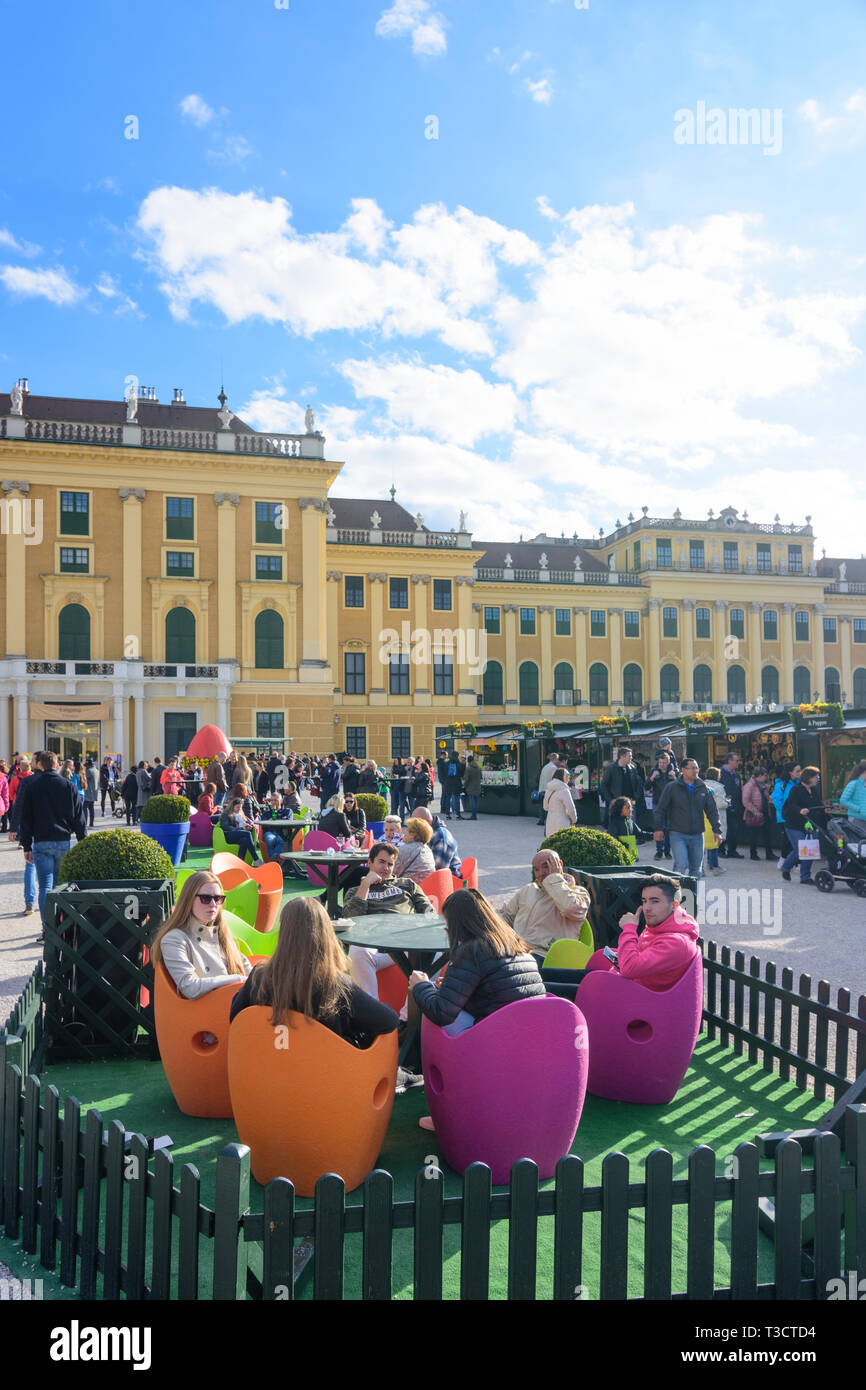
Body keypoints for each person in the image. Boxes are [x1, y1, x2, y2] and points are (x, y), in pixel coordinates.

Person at [229, 896, 399, 1047]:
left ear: (283, 934)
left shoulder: (259, 977)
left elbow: (235, 1017)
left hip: (268, 1070)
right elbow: (389, 1020)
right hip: (327, 1076)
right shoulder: (337, 985)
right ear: (326, 935)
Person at [410, 889, 546, 1034]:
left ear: (457, 924)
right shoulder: (515, 943)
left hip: (492, 1038)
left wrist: (421, 986)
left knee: (426, 1001)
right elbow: (498, 991)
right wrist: (454, 989)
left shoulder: (471, 951)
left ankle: (413, 1048)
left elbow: (441, 1013)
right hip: (530, 1032)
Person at [343, 842, 435, 998]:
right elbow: (351, 918)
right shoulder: (356, 891)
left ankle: (409, 1016)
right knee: (357, 951)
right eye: (381, 862)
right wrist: (366, 883)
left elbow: (428, 911)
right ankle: (374, 1016)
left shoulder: (407, 884)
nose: (386, 868)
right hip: (376, 946)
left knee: (439, 952)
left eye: (390, 864)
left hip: (408, 943)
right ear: (370, 862)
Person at [152, 871, 251, 1001]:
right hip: (203, 1015)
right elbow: (190, 987)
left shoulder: (222, 934)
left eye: (218, 898)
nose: (213, 904)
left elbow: (247, 969)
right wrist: (237, 980)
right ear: (189, 900)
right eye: (206, 898)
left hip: (231, 1007)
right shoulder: (174, 939)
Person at [18, 751, 88, 934]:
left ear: (40, 765)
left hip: (41, 841)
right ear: (57, 765)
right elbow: (78, 817)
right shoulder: (68, 786)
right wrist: (82, 840)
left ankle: (47, 928)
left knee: (45, 887)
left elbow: (27, 818)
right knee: (60, 886)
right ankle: (61, 927)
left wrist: (26, 845)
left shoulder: (33, 787)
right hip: (63, 840)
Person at [608, 876, 700, 991]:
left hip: (641, 1001)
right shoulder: (659, 926)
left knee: (581, 988)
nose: (647, 908)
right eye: (644, 901)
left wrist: (629, 929)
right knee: (583, 977)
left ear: (674, 905)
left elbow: (629, 969)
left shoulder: (677, 942)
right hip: (627, 988)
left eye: (655, 901)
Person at [498, 849, 591, 962]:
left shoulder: (578, 892)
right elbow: (506, 916)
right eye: (536, 869)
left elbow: (569, 909)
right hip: (516, 951)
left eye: (546, 866)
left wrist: (554, 879)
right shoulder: (529, 889)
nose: (541, 873)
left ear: (559, 865)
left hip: (546, 956)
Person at [652, 758, 722, 879]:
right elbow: (660, 809)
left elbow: (712, 811)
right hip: (677, 833)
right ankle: (675, 895)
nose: (695, 771)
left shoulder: (703, 788)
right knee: (681, 865)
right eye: (692, 768)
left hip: (697, 835)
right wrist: (658, 829)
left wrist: (717, 830)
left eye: (697, 768)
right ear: (683, 770)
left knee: (696, 870)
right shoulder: (672, 787)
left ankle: (692, 897)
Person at [780, 766, 824, 884]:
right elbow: (791, 805)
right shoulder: (796, 789)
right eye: (816, 777)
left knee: (809, 849)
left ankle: (805, 877)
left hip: (809, 824)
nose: (817, 779)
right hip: (794, 824)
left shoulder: (813, 790)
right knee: (801, 849)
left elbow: (818, 805)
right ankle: (786, 867)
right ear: (808, 778)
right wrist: (800, 810)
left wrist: (825, 809)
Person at [8, 757, 36, 916]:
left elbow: (13, 795)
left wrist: (13, 829)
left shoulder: (18, 780)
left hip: (26, 824)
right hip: (45, 830)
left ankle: (30, 903)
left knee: (30, 867)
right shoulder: (34, 781)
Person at [409, 804, 462, 877]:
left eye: (416, 824)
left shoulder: (440, 837)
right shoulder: (426, 831)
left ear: (427, 821)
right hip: (434, 874)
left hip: (449, 879)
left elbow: (439, 869)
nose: (413, 827)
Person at [601, 746, 645, 829]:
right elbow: (603, 786)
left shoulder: (633, 767)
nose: (631, 758)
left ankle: (630, 841)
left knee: (630, 825)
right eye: (629, 756)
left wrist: (635, 798)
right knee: (615, 826)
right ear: (622, 756)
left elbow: (637, 784)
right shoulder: (611, 768)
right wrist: (611, 800)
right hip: (616, 803)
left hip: (630, 803)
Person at [647, 753, 676, 859]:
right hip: (657, 803)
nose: (662, 765)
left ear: (668, 762)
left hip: (670, 804)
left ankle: (667, 851)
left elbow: (681, 786)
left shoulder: (673, 771)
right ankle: (659, 851)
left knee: (668, 829)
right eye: (660, 763)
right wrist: (652, 777)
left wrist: (674, 776)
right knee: (658, 827)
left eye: (664, 763)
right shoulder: (654, 771)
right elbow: (646, 787)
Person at [219, 796, 263, 865]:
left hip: (239, 835)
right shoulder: (226, 814)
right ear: (232, 807)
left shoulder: (240, 814)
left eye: (240, 807)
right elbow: (225, 827)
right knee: (247, 834)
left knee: (244, 840)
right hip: (228, 836)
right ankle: (256, 859)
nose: (239, 809)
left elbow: (244, 823)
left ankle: (240, 862)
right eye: (237, 807)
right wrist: (241, 829)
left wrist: (248, 826)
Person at [743, 769, 774, 861]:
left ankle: (769, 853)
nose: (766, 777)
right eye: (765, 775)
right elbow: (746, 801)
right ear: (759, 776)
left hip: (764, 812)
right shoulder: (749, 786)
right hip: (754, 814)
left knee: (767, 834)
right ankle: (753, 854)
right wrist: (755, 811)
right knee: (754, 835)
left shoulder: (763, 786)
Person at [702, 766, 728, 876]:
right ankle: (714, 865)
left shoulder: (701, 785)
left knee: (703, 843)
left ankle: (705, 865)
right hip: (715, 816)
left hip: (703, 817)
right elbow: (720, 804)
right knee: (715, 841)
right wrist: (727, 803)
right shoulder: (719, 787)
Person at [394, 817, 436, 884]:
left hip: (409, 889)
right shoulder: (428, 850)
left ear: (413, 834)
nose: (404, 831)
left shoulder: (404, 850)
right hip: (427, 888)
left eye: (407, 829)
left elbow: (391, 873)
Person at [720, 752, 744, 859]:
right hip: (723, 806)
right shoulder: (720, 773)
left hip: (736, 806)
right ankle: (721, 850)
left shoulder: (736, 775)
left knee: (734, 830)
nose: (738, 763)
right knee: (722, 829)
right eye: (736, 760)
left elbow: (738, 790)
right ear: (729, 761)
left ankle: (732, 850)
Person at [543, 768, 576, 836]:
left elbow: (545, 807)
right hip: (562, 822)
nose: (568, 779)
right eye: (568, 777)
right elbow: (571, 809)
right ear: (564, 777)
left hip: (550, 821)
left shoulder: (548, 789)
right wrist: (574, 820)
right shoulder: (564, 791)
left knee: (551, 844)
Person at [536, 753, 560, 827]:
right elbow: (555, 780)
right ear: (555, 759)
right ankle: (549, 822)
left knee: (542, 807)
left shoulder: (545, 766)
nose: (558, 761)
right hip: (548, 790)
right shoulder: (554, 768)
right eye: (557, 759)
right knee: (549, 807)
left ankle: (541, 820)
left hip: (542, 789)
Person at [462, 755, 481, 820]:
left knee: (472, 802)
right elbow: (481, 777)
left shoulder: (468, 768)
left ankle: (473, 815)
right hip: (477, 787)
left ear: (468, 761)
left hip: (471, 787)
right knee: (476, 801)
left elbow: (467, 779)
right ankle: (475, 814)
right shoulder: (478, 767)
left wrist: (465, 786)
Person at [83, 757, 98, 827]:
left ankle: (85, 823)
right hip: (94, 791)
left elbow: (84, 779)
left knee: (84, 807)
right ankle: (91, 823)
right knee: (91, 808)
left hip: (88, 791)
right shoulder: (96, 770)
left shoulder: (89, 771)